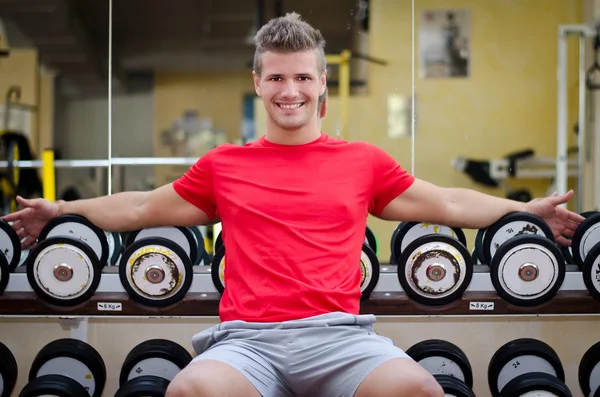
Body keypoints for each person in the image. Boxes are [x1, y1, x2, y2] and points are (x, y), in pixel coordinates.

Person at [3, 12, 584, 397]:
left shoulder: (362, 161)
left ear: (322, 83)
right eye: (277, 77)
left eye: (303, 77)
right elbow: (138, 211)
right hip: (248, 341)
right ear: (257, 82)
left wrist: (527, 211)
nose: (291, 91)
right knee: (187, 391)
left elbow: (450, 202)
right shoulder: (225, 165)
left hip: (340, 337)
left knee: (420, 390)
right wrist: (61, 212)